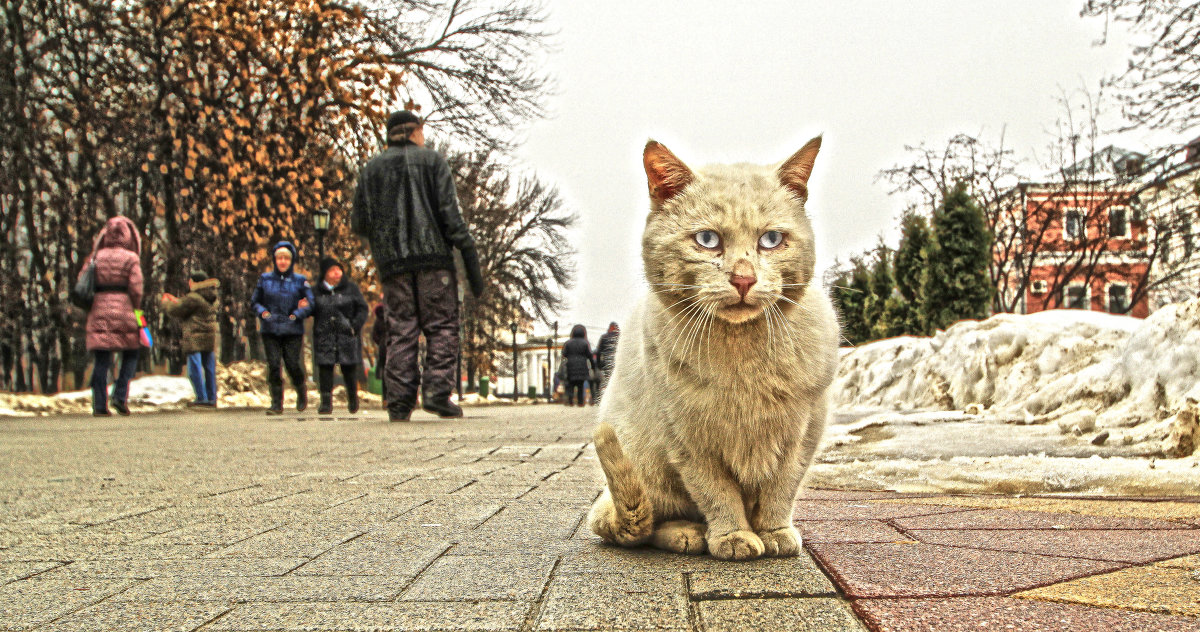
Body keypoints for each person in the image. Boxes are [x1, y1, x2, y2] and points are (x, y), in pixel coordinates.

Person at [352, 110, 485, 422]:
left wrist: (383, 241)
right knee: (442, 326)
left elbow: (359, 222)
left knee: (401, 329)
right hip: (434, 261)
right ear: (414, 132)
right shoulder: (432, 161)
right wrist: (470, 260)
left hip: (393, 265)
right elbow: (451, 217)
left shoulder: (371, 169)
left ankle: (399, 402)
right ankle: (437, 393)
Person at [80, 216, 144, 417]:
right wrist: (137, 311)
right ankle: (120, 394)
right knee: (131, 353)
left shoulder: (95, 257)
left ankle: (99, 405)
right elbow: (136, 288)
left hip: (99, 309)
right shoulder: (131, 258)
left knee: (102, 359)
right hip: (125, 309)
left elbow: (83, 281)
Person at [250, 241, 314, 414]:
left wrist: (298, 314)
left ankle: (301, 389)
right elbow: (255, 302)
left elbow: (311, 304)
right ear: (275, 260)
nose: (283, 261)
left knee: (292, 363)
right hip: (270, 328)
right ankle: (276, 403)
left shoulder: (300, 281)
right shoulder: (265, 279)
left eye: (286, 258)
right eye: (279, 258)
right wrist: (263, 313)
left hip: (292, 329)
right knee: (273, 364)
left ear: (291, 260)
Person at [312, 257, 369, 414]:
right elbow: (310, 309)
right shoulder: (316, 291)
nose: (337, 272)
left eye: (339, 269)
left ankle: (352, 399)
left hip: (346, 335)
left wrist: (354, 326)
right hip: (325, 335)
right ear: (325, 273)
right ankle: (325, 403)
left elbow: (363, 308)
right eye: (332, 270)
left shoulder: (351, 288)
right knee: (325, 368)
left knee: (349, 368)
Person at [161, 270, 220, 407]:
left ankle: (201, 398)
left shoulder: (193, 297)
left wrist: (165, 302)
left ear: (195, 282)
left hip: (194, 337)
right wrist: (178, 300)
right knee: (209, 368)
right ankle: (211, 398)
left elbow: (177, 310)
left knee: (195, 369)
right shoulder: (212, 297)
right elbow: (191, 307)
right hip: (209, 336)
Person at [561, 324, 595, 407]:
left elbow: (564, 354)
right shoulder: (585, 343)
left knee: (571, 385)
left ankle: (571, 401)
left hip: (571, 366)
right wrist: (593, 367)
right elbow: (589, 355)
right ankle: (580, 402)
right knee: (580, 385)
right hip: (582, 366)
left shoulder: (568, 343)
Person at [595, 321, 620, 399]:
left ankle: (607, 397)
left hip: (607, 362)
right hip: (617, 361)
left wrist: (599, 364)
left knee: (608, 379)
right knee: (617, 380)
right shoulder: (619, 337)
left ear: (609, 328)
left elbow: (598, 352)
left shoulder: (604, 337)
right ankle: (616, 398)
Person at [371, 302, 389, 408]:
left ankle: (385, 399)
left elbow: (374, 335)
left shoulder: (378, 320)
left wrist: (381, 342)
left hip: (383, 349)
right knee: (397, 373)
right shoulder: (393, 318)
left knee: (385, 374)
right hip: (396, 348)